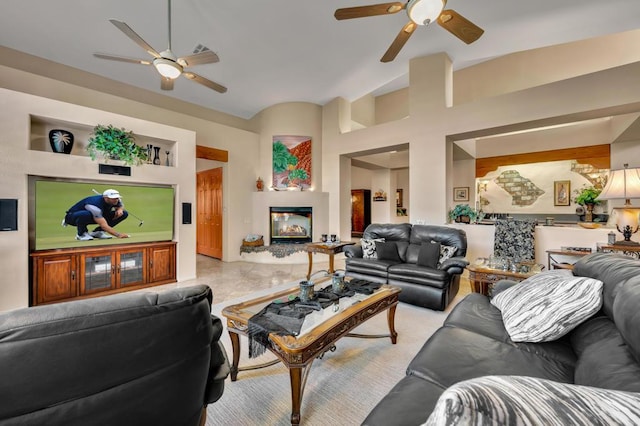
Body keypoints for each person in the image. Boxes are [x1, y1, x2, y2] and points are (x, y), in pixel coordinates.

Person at [62, 189, 130, 241]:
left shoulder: (116, 200)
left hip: (96, 215)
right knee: (86, 214)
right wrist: (118, 235)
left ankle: (97, 232)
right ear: (106, 198)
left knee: (124, 213)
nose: (116, 200)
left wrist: (119, 210)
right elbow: (104, 225)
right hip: (72, 217)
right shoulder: (94, 206)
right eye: (113, 198)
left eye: (117, 198)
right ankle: (81, 234)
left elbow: (120, 205)